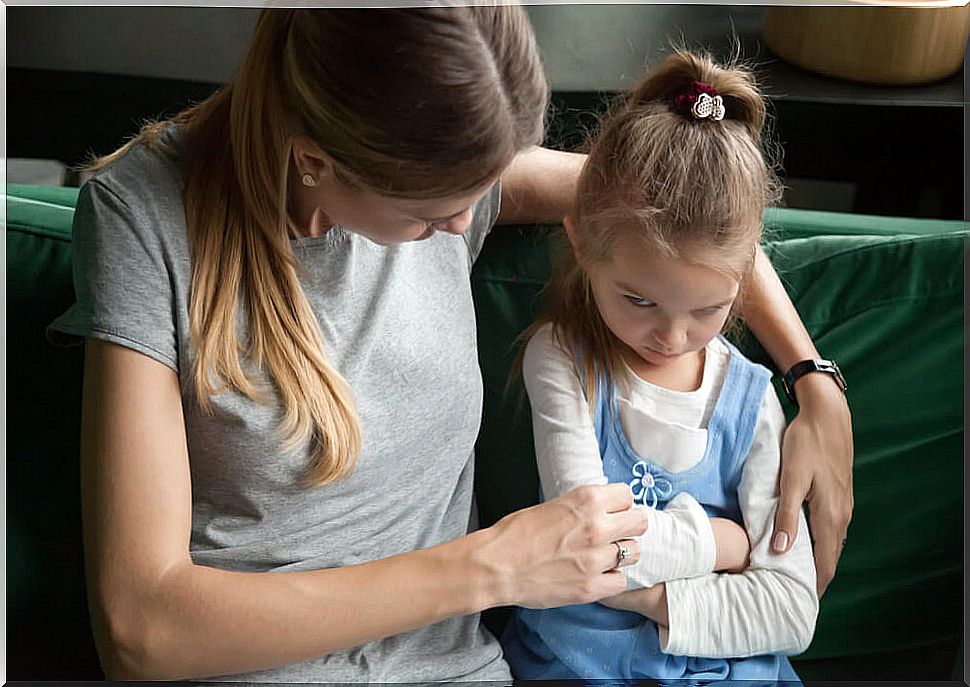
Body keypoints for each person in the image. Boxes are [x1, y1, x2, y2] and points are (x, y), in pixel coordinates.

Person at [46, 7, 851, 683]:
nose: (466, 226)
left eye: (486, 188)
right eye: (432, 216)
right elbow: (140, 629)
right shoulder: (145, 220)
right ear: (316, 160)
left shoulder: (449, 159)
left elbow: (691, 221)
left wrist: (813, 379)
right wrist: (491, 567)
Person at [500, 50, 822, 682]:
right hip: (579, 668)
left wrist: (646, 595)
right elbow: (584, 545)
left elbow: (791, 609)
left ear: (746, 275)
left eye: (709, 308)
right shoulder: (564, 361)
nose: (672, 336)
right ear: (580, 241)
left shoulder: (753, 398)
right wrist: (720, 545)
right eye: (639, 300)